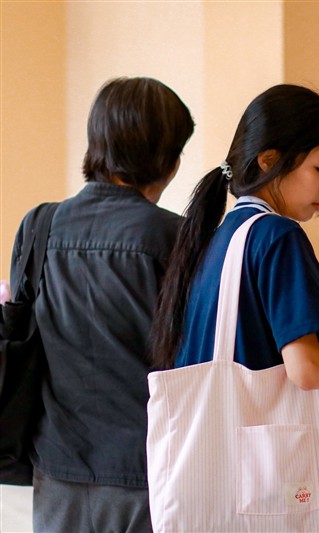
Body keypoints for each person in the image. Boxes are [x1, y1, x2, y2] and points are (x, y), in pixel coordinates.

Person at [8, 77, 194, 532]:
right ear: (168, 161)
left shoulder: (40, 225)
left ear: (96, 144)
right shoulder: (176, 237)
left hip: (57, 467)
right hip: (148, 468)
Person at [150, 84, 319, 396]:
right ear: (268, 160)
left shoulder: (221, 236)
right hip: (257, 427)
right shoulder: (277, 235)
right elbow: (308, 368)